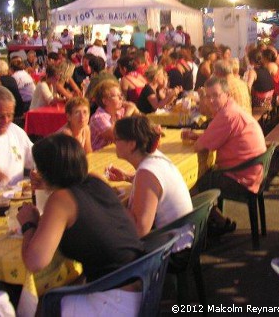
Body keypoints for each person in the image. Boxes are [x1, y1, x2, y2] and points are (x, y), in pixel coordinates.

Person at [17, 134, 144, 315]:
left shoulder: (61, 199)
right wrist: (47, 186)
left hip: (113, 302)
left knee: (42, 304)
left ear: (48, 170)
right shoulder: (95, 182)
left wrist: (28, 224)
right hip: (141, 285)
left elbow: (34, 262)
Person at [184, 77, 267, 231]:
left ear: (227, 94)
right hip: (254, 172)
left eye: (216, 95)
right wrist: (198, 135)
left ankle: (209, 226)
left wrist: (197, 139)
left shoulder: (226, 115)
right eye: (208, 96)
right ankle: (218, 221)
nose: (211, 100)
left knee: (190, 184)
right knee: (206, 174)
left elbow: (199, 147)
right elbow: (216, 136)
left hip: (242, 178)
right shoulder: (232, 109)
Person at [106, 116, 192, 244]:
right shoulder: (156, 158)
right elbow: (155, 185)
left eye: (116, 139)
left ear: (132, 144)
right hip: (182, 241)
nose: (113, 143)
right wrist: (126, 177)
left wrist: (109, 199)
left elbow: (139, 230)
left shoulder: (147, 172)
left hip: (170, 253)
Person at [89, 80, 139, 151]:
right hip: (99, 156)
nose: (121, 98)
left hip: (115, 152)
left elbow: (141, 123)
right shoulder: (98, 118)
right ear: (105, 101)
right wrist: (128, 113)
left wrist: (134, 109)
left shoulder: (120, 111)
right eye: (117, 96)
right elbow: (117, 135)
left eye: (121, 95)